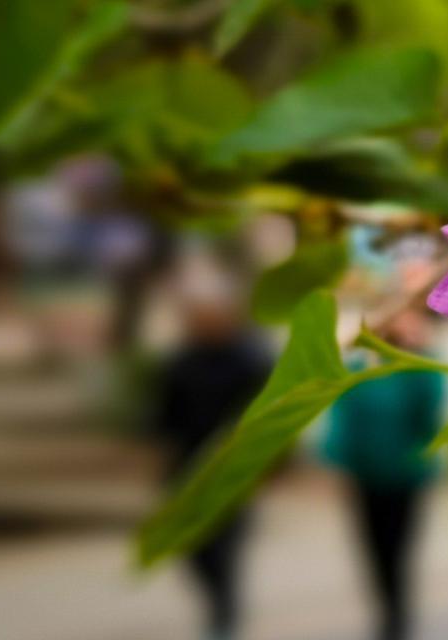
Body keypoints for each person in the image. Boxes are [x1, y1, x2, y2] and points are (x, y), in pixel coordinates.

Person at [154, 252, 271, 640]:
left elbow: (270, 410)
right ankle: (219, 606)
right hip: (187, 467)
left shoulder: (248, 359)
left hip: (233, 468)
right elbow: (164, 414)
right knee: (192, 549)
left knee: (224, 546)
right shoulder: (182, 360)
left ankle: (225, 613)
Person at [323, 307, 445, 640]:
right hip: (366, 476)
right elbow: (343, 418)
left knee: (399, 548)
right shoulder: (359, 369)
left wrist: (422, 349)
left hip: (405, 477)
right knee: (374, 550)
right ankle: (388, 611)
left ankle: (397, 615)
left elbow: (431, 409)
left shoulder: (417, 369)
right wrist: (336, 457)